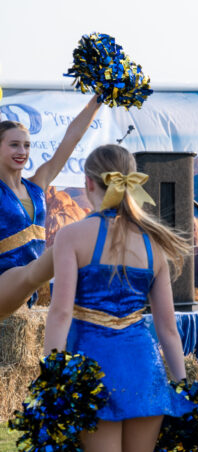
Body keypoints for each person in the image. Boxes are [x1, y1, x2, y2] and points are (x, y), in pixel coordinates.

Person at [44, 145, 198, 452]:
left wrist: (52, 376)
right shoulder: (154, 242)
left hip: (93, 374)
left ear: (90, 185)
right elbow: (169, 330)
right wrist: (181, 384)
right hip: (145, 370)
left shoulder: (71, 236)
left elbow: (61, 313)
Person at [0, 96, 101, 318]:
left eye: (27, 145)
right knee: (55, 256)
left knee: (48, 267)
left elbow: (71, 139)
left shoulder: (37, 186)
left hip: (31, 291)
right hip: (4, 282)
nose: (22, 152)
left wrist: (98, 99)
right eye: (14, 145)